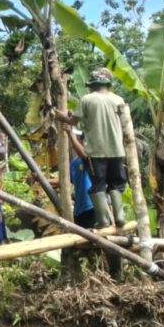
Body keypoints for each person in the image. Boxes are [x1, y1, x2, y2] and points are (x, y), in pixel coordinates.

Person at [56, 68, 127, 228]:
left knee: (98, 185)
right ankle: (120, 216)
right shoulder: (118, 100)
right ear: (107, 83)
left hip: (96, 151)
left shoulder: (87, 99)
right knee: (116, 183)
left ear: (93, 84)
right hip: (117, 150)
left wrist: (62, 117)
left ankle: (103, 220)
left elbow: (73, 121)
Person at [67, 129, 96, 229]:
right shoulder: (74, 163)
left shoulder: (92, 156)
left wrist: (70, 134)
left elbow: (84, 154)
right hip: (79, 210)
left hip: (92, 205)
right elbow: (66, 181)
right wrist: (43, 180)